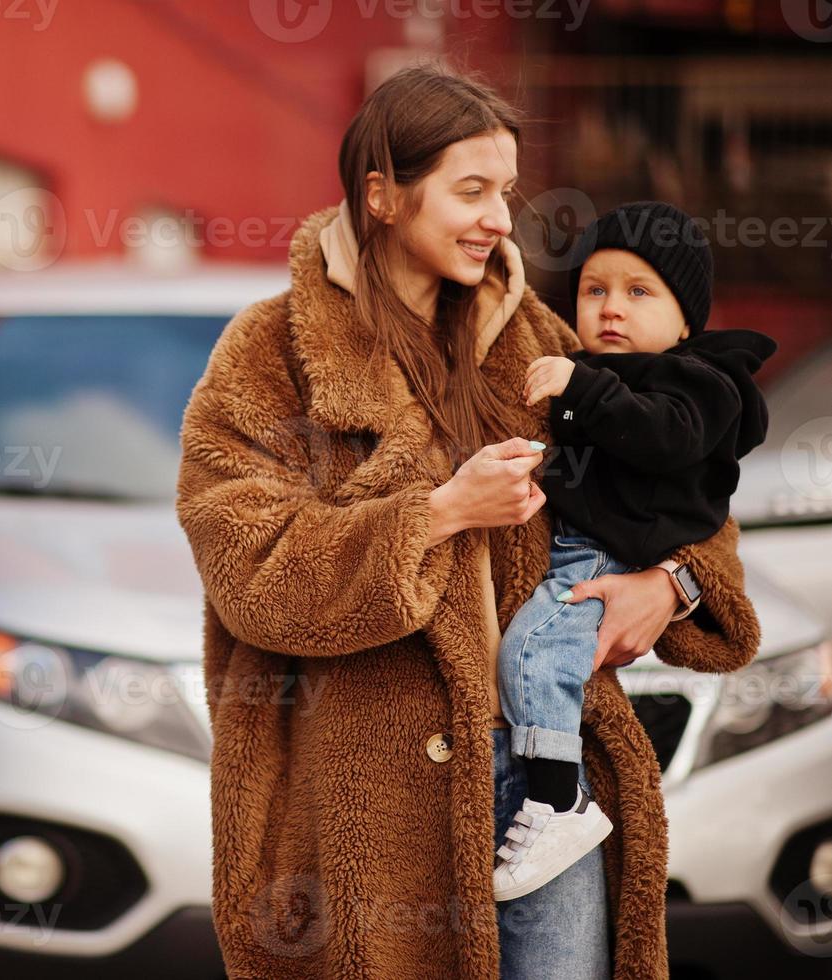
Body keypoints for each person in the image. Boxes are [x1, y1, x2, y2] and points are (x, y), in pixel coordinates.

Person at [175, 65, 763, 979]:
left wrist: (671, 585)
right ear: (381, 195)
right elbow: (252, 572)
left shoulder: (545, 342)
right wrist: (439, 513)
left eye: (506, 192)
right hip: (366, 799)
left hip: (546, 793)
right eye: (471, 191)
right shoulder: (270, 353)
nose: (500, 217)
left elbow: (689, 481)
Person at [492, 200, 778, 901]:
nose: (610, 308)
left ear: (685, 321)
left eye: (637, 291)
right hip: (580, 545)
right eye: (594, 290)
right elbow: (586, 463)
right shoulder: (590, 372)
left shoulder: (694, 381)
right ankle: (552, 795)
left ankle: (558, 802)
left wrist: (579, 386)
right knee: (535, 651)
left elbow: (661, 438)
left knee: (535, 651)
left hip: (606, 556)